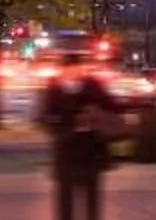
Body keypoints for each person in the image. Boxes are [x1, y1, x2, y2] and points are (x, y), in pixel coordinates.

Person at [36, 48, 123, 220]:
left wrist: (96, 115)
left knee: (92, 201)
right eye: (69, 70)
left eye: (76, 69)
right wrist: (65, 126)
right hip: (66, 150)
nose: (73, 73)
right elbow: (43, 118)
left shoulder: (92, 85)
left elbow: (112, 106)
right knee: (65, 202)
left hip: (91, 150)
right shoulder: (54, 89)